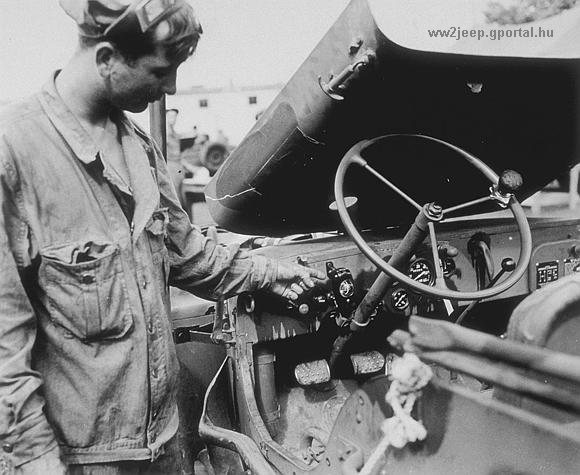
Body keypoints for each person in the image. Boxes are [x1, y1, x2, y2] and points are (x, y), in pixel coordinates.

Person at [0, 1, 325, 474]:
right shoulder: (15, 157)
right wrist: (34, 459)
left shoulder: (140, 150)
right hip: (80, 459)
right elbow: (3, 339)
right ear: (108, 58)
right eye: (161, 70)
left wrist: (272, 272)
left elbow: (188, 254)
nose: (170, 87)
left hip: (165, 443)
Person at [165, 108, 188, 212]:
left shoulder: (174, 132)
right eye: (170, 116)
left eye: (175, 117)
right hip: (171, 165)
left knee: (182, 194)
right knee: (176, 195)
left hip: (178, 165)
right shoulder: (165, 132)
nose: (173, 119)